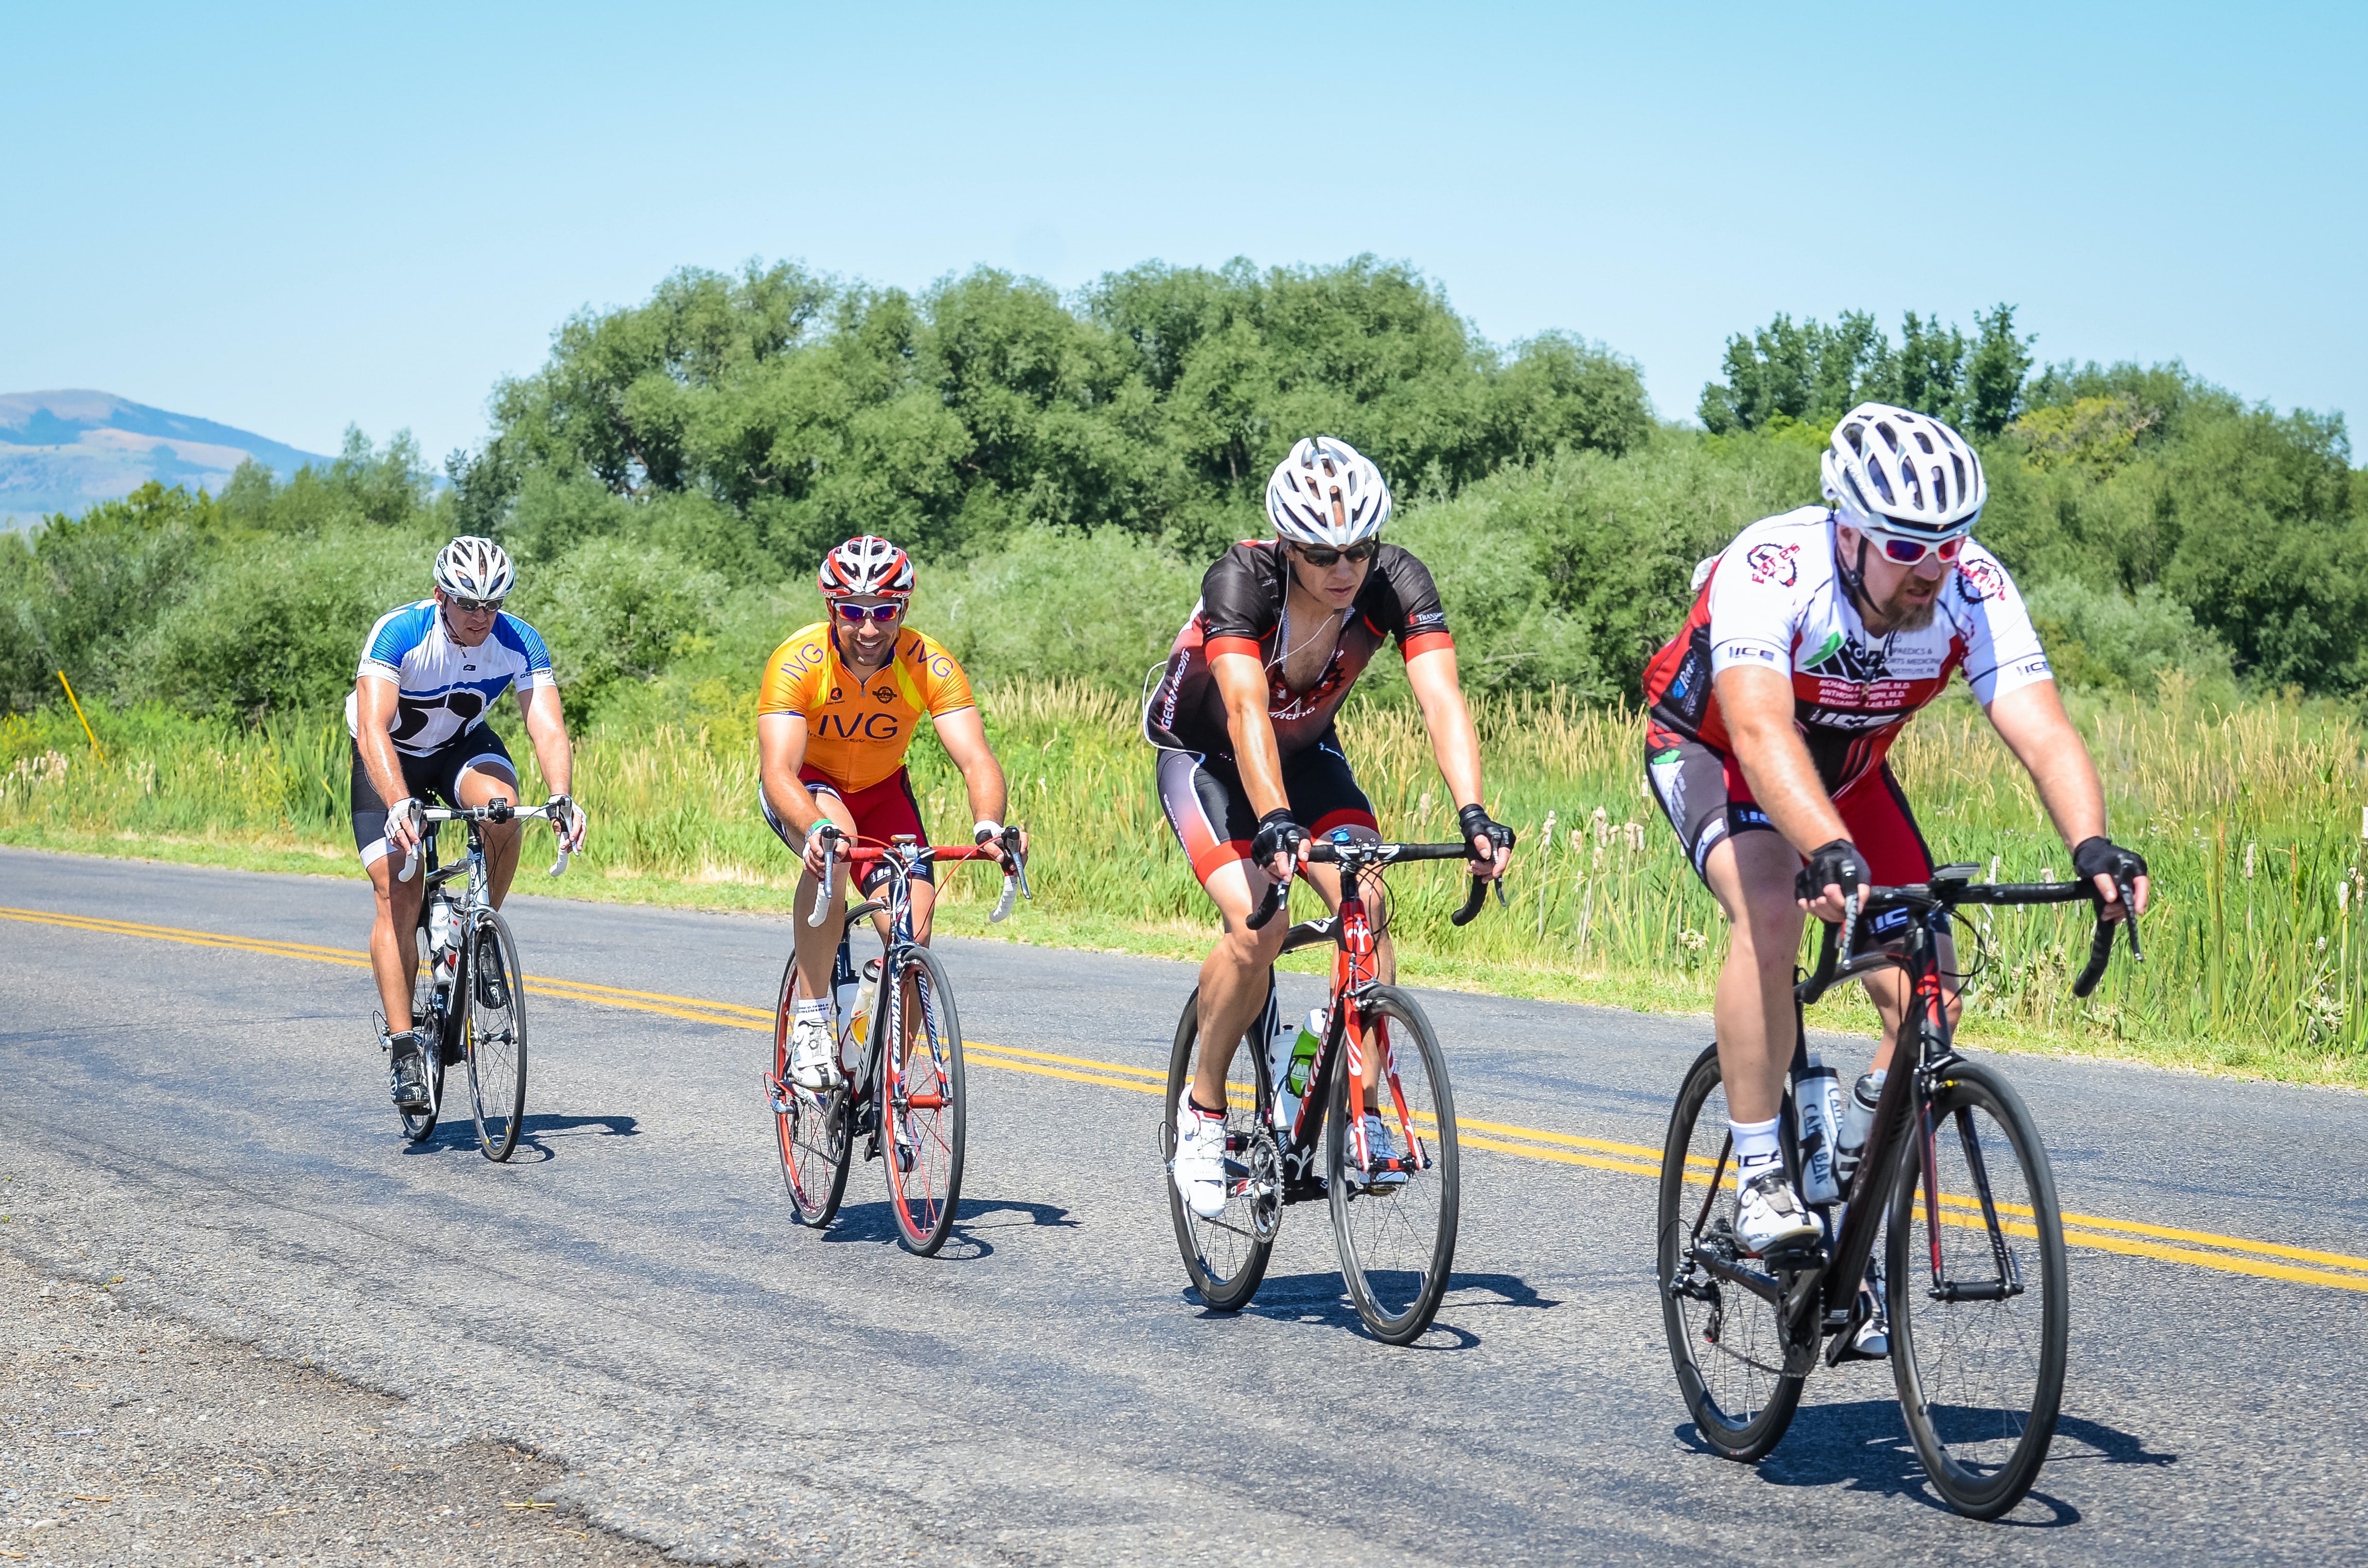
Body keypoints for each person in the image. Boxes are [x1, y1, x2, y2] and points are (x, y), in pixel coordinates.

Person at [1640, 402, 2150, 1270]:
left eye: (1948, 544)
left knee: (1931, 991)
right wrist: (1823, 849)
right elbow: (1761, 732)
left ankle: (1852, 1176)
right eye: (1907, 548)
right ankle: (1761, 1171)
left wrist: (2091, 844)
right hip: (1714, 750)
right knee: (1769, 910)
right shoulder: (1773, 566)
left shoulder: (1971, 585)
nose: (1931, 568)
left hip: (1848, 775)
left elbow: (2041, 728)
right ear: (1848, 534)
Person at [1148, 436, 1515, 1221]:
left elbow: (1442, 700)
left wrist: (1473, 812)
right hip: (1208, 759)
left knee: (1368, 901)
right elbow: (1244, 708)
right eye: (1320, 554)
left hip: (1309, 755)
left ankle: (1363, 1112)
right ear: (1286, 545)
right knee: (1260, 925)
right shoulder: (1241, 582)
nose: (1342, 570)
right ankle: (1203, 1113)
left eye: (1357, 549)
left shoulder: (1395, 580)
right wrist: (1274, 822)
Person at [757, 536, 1018, 1092]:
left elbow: (976, 759)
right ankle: (810, 1021)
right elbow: (779, 769)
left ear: (904, 609)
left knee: (912, 937)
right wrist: (815, 827)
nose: (869, 629)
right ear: (832, 608)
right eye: (853, 612)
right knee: (836, 848)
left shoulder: (929, 663)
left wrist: (989, 824)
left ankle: (875, 1079)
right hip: (811, 789)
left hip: (883, 791)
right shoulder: (798, 661)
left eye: (885, 612)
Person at [353, 536, 586, 1111]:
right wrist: (400, 803)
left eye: (493, 604)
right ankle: (406, 1047)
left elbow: (549, 728)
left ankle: (480, 929)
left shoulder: (518, 639)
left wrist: (561, 797)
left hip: (460, 747)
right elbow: (374, 726)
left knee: (505, 811)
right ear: (440, 596)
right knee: (399, 891)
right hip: (391, 757)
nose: (482, 616)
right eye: (467, 603)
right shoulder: (400, 632)